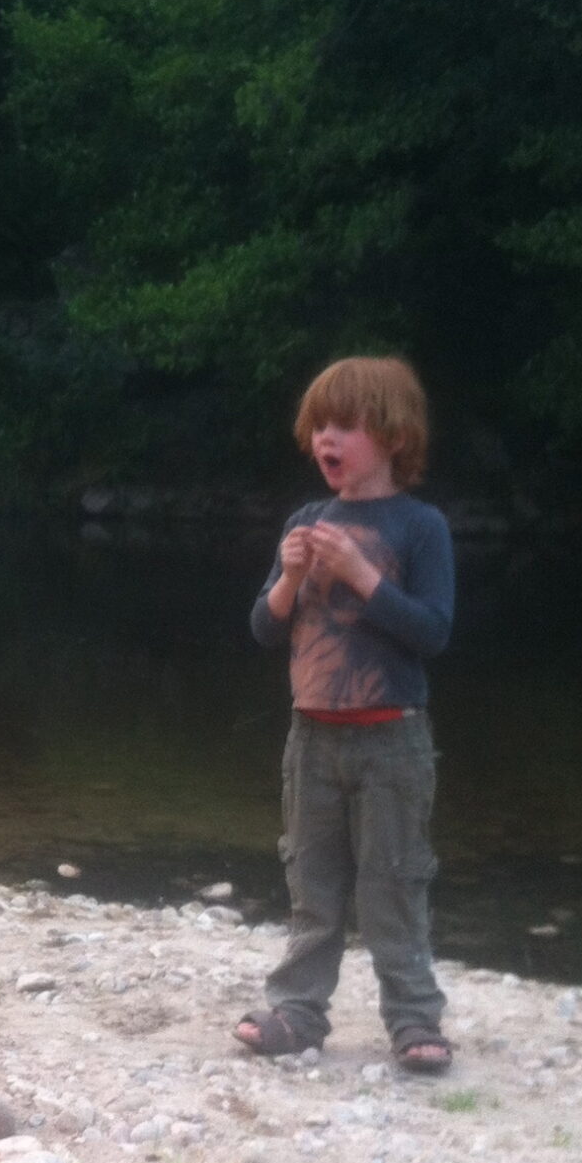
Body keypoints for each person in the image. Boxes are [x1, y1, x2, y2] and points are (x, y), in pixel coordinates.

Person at [234, 355, 456, 1074]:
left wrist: (362, 577)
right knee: (313, 886)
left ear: (391, 436)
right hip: (312, 738)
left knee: (394, 884)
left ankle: (415, 1021)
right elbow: (265, 629)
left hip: (393, 738)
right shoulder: (306, 520)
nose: (327, 439)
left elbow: (432, 631)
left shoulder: (420, 527)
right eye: (319, 426)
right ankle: (298, 1014)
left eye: (345, 427)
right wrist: (293, 575)